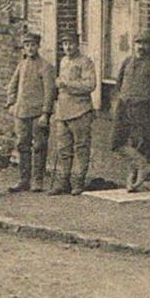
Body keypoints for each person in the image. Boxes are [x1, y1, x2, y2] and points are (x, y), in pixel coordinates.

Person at [112, 34, 150, 191]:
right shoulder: (127, 62)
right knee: (116, 142)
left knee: (138, 141)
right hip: (124, 105)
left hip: (143, 107)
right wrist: (118, 101)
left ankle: (134, 174)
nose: (141, 47)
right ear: (133, 45)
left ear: (149, 47)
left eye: (145, 44)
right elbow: (119, 83)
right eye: (138, 43)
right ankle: (142, 165)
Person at [5, 32, 56, 193]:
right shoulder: (21, 65)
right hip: (21, 112)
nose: (30, 48)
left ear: (38, 46)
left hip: (38, 114)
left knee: (39, 146)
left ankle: (37, 180)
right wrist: (11, 103)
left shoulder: (46, 67)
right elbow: (12, 85)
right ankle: (23, 179)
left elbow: (50, 92)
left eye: (33, 45)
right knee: (22, 145)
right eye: (27, 45)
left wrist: (45, 113)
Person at [53, 36, 97, 195]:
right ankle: (63, 181)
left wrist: (66, 85)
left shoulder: (85, 62)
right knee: (63, 149)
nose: (68, 47)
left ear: (77, 45)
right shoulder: (63, 61)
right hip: (63, 111)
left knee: (81, 147)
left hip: (80, 110)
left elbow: (90, 85)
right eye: (65, 44)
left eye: (70, 43)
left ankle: (78, 181)